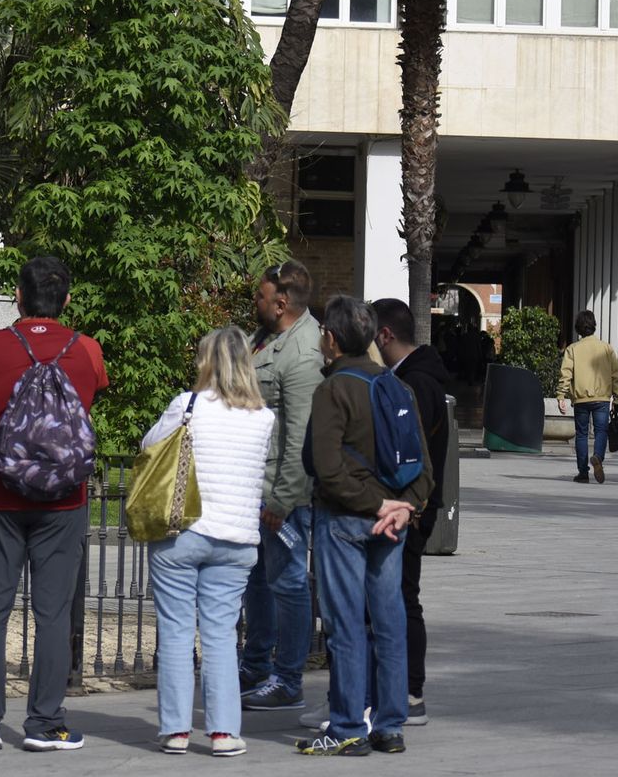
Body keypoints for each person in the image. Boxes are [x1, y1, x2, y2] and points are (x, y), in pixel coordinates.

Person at [0, 256, 107, 752]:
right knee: (52, 611)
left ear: (17, 297)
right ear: (66, 300)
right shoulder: (86, 349)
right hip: (64, 500)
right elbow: (88, 404)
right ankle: (45, 723)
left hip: (0, 493)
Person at [297, 296, 433, 757]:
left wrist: (376, 505)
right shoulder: (398, 388)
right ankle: (390, 726)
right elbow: (424, 468)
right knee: (390, 621)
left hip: (344, 521)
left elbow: (327, 469)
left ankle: (348, 725)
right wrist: (403, 508)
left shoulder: (332, 391)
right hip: (392, 525)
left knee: (346, 626)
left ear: (331, 340)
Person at [143, 327, 274, 759]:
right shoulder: (263, 417)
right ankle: (223, 732)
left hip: (184, 532)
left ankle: (176, 730)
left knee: (177, 630)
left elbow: (149, 447)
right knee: (221, 634)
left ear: (206, 361)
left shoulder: (188, 405)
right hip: (236, 539)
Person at [240, 261, 323, 712]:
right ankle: (255, 666)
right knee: (257, 579)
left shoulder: (304, 352)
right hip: (257, 486)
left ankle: (288, 679)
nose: (255, 301)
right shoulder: (267, 339)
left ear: (282, 302)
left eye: (260, 296)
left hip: (282, 494)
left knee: (289, 583)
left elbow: (300, 435)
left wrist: (284, 499)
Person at [372, 297, 452, 728]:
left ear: (385, 335)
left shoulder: (415, 384)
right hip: (413, 505)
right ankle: (401, 688)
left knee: (404, 597)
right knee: (400, 597)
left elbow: (409, 453)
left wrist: (410, 505)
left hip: (410, 508)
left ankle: (411, 690)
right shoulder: (414, 378)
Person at [556, 309, 618, 486]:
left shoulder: (572, 349)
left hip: (580, 399)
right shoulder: (606, 348)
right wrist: (617, 397)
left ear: (578, 328)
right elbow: (615, 374)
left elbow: (566, 373)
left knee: (582, 434)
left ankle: (583, 473)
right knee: (601, 431)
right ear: (594, 326)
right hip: (602, 398)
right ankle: (598, 457)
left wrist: (561, 395)